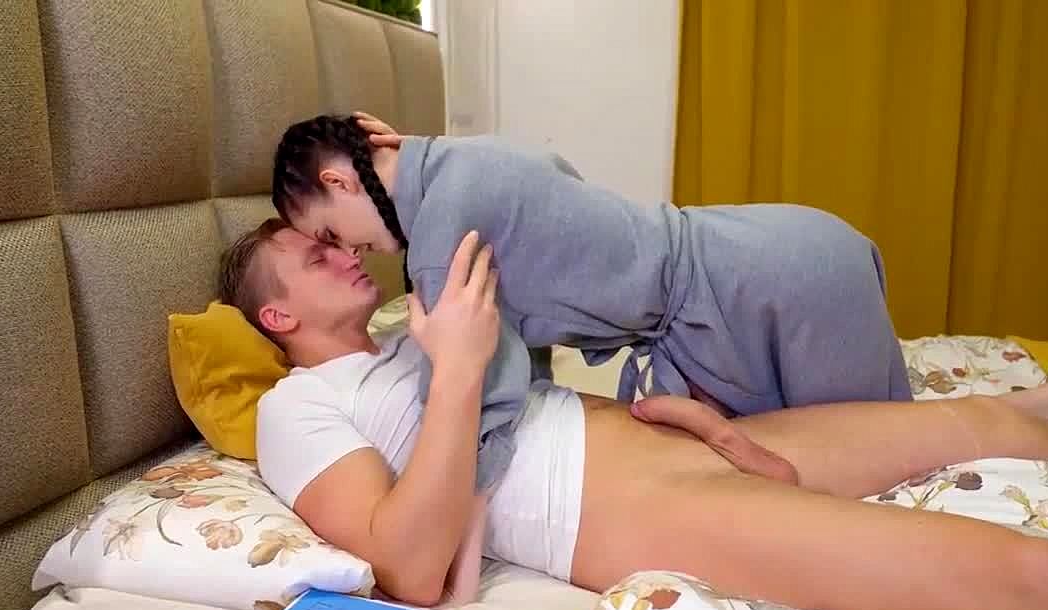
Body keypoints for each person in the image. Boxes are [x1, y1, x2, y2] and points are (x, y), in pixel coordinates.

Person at [219, 219, 1048, 610]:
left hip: (687, 439)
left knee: (973, 426)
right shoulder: (296, 407)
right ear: (277, 316)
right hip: (632, 512)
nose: (347, 252)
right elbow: (409, 569)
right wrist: (457, 367)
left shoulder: (405, 332)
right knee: (1036, 581)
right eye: (316, 255)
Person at [269, 112, 916, 492]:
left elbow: (471, 411)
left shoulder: (441, 248)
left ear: (338, 181)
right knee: (882, 451)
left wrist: (456, 532)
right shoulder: (462, 157)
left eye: (330, 234)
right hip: (782, 243)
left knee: (881, 466)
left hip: (758, 289)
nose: (350, 251)